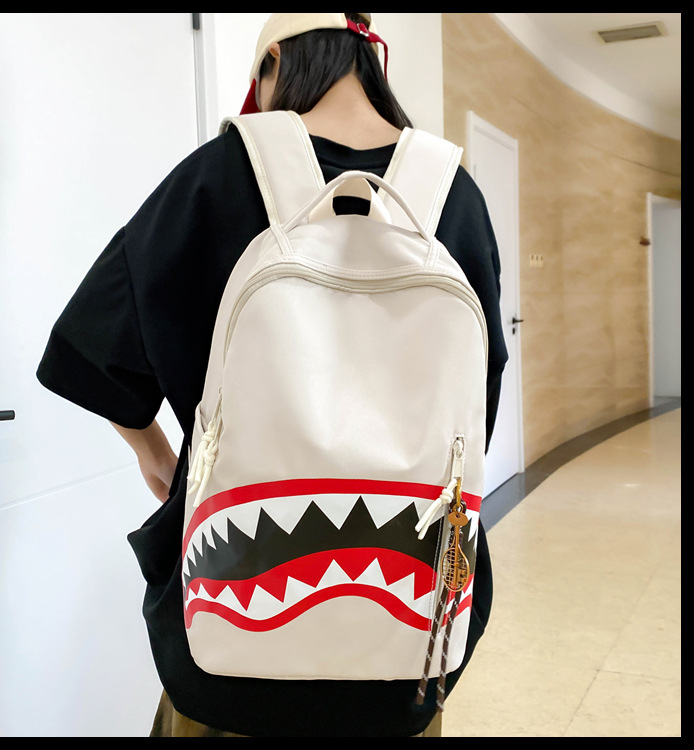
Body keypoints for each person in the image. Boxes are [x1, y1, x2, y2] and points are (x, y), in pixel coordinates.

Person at [37, 12, 508, 737]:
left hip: (227, 650)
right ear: (371, 61)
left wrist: (156, 453)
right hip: (409, 652)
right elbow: (479, 401)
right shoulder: (453, 195)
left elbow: (86, 347)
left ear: (276, 63)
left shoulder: (216, 176)